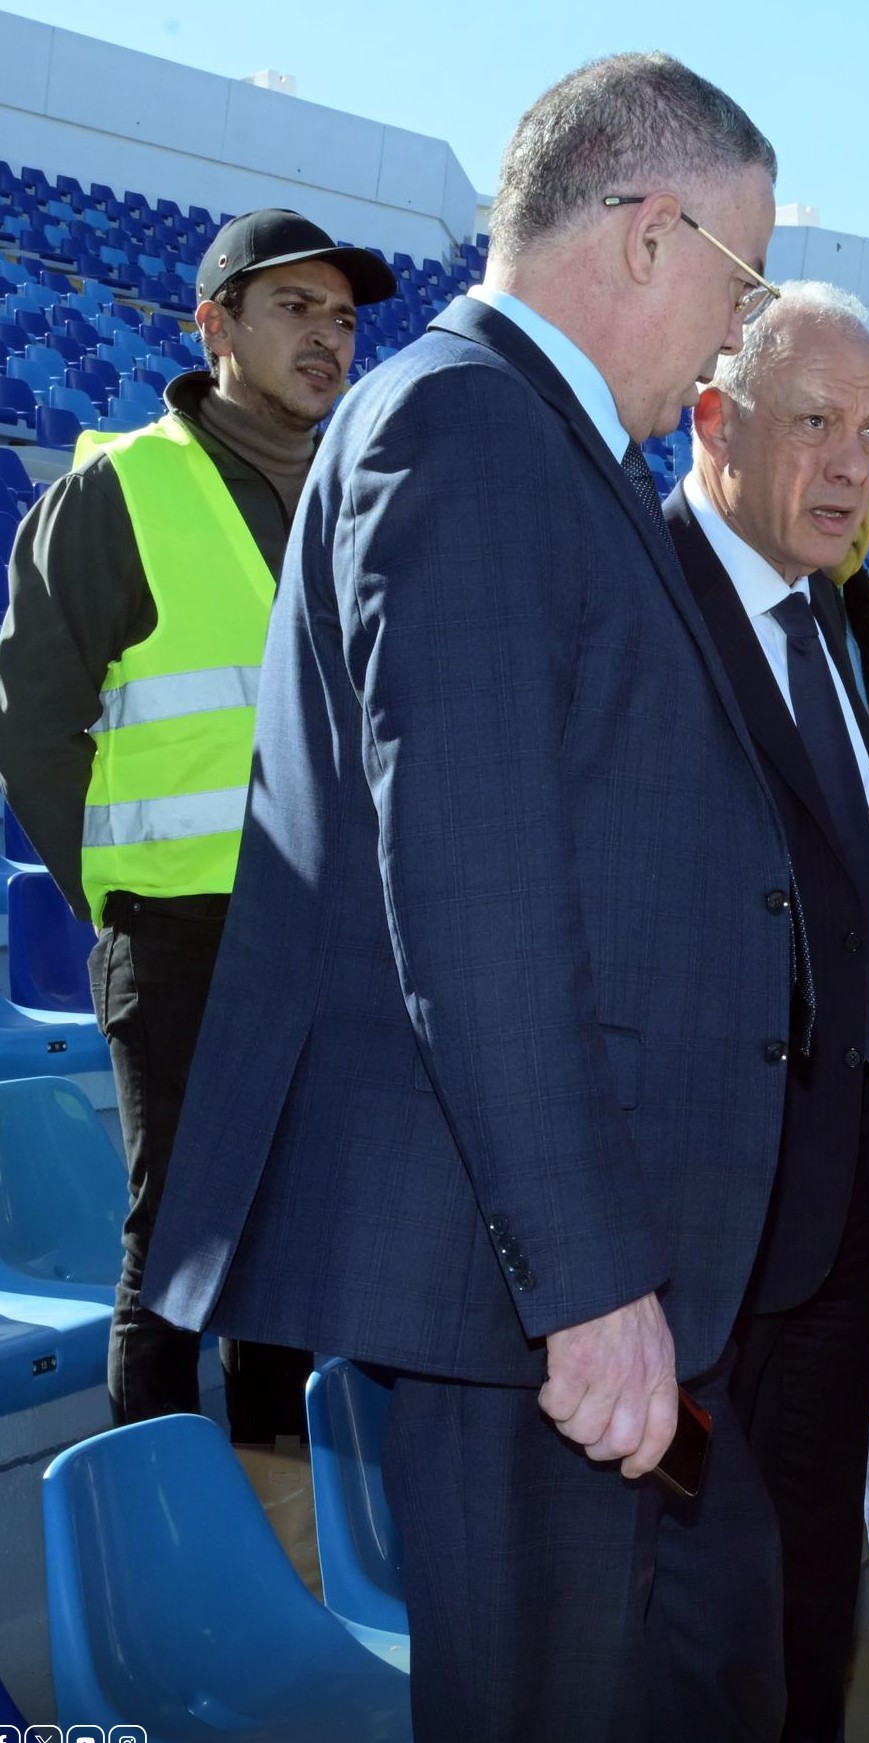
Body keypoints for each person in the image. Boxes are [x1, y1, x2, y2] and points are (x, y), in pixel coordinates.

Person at [139, 54, 793, 1743]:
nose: (740, 334)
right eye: (742, 274)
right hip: (523, 1290)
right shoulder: (466, 426)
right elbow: (474, 889)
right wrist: (582, 1279)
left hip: (548, 1276)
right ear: (649, 234)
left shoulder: (529, 440)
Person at [0, 208, 398, 1440]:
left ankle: (273, 1486)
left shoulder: (362, 497)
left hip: (330, 927)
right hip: (181, 931)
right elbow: (31, 723)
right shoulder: (120, 492)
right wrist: (117, 889)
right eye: (295, 310)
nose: (327, 339)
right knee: (175, 1245)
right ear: (214, 323)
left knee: (291, 1237)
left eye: (341, 319)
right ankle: (159, 1546)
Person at [646, 281, 869, 1742]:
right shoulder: (638, 599)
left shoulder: (842, 619)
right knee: (700, 1630)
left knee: (816, 1594)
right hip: (681, 1244)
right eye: (814, 422)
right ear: (714, 422)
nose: (852, 464)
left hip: (834, 1220)